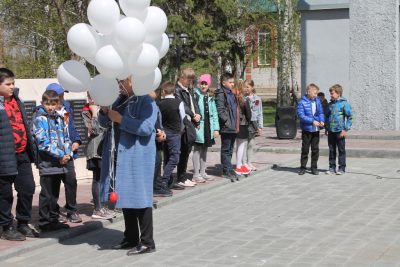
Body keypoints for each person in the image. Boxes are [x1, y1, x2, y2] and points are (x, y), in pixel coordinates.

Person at [100, 77, 157, 256]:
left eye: (122, 81)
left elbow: (147, 128)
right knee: (125, 196)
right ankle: (131, 237)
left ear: (133, 80)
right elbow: (104, 124)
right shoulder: (118, 100)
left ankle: (147, 242)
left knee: (140, 198)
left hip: (137, 155)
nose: (119, 85)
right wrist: (104, 113)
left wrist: (120, 119)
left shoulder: (146, 100)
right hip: (119, 153)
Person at [0, 68, 36, 240]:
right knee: (5, 194)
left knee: (28, 188)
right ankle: (6, 226)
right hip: (5, 156)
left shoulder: (17, 100)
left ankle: (22, 222)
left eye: (13, 83)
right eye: (8, 84)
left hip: (22, 154)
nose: (12, 87)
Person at [32, 90, 72, 231]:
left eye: (53, 104)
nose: (50, 107)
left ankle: (53, 219)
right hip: (47, 162)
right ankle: (44, 222)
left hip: (60, 163)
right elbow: (42, 142)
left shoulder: (59, 118)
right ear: (43, 103)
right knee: (46, 194)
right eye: (47, 104)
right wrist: (60, 155)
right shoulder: (39, 118)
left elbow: (65, 137)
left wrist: (68, 153)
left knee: (54, 194)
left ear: (57, 104)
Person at [46, 83, 82, 223]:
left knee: (71, 181)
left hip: (68, 153)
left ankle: (71, 210)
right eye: (59, 96)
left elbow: (70, 128)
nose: (62, 98)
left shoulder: (66, 109)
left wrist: (76, 141)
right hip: (53, 155)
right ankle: (53, 211)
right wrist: (57, 152)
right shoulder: (44, 112)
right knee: (53, 185)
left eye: (62, 95)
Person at [82, 94, 114, 219]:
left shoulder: (106, 107)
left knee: (106, 178)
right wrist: (95, 113)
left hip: (106, 148)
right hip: (96, 150)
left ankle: (104, 206)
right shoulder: (86, 111)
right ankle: (97, 209)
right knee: (98, 178)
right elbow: (95, 130)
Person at [157, 81, 186, 193]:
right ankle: (165, 180)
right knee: (175, 157)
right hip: (175, 133)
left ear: (164, 91)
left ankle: (168, 181)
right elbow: (183, 118)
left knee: (167, 157)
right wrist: (181, 129)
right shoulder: (179, 102)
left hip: (163, 133)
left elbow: (159, 118)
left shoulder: (159, 103)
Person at [175, 68, 201, 187]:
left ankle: (182, 176)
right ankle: (180, 177)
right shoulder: (177, 89)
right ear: (181, 77)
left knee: (187, 150)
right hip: (183, 123)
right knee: (183, 151)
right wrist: (192, 114)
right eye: (188, 79)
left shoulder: (189, 89)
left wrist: (198, 114)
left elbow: (194, 103)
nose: (190, 82)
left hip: (190, 121)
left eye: (191, 80)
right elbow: (182, 105)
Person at [192, 74, 220, 183]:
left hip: (208, 127)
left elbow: (214, 114)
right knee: (197, 149)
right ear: (199, 84)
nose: (203, 86)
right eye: (202, 83)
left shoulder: (210, 97)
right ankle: (196, 174)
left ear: (209, 85)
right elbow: (193, 110)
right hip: (199, 126)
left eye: (205, 84)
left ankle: (203, 172)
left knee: (204, 150)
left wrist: (216, 129)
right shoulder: (195, 95)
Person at [215, 72, 239, 181]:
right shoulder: (221, 93)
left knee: (230, 149)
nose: (232, 84)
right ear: (223, 83)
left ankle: (229, 168)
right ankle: (226, 170)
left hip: (233, 125)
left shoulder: (231, 93)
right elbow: (220, 109)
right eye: (230, 82)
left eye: (233, 82)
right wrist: (226, 121)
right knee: (226, 148)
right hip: (226, 126)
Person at [296, 83, 325, 175]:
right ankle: (303, 167)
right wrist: (312, 121)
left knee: (315, 149)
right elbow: (301, 115)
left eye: (317, 93)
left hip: (316, 129)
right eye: (315, 93)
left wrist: (322, 120)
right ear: (309, 92)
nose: (316, 95)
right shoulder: (302, 102)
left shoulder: (317, 101)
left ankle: (314, 167)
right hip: (307, 129)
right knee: (305, 149)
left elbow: (320, 112)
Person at [325, 84, 353, 175]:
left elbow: (350, 117)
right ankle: (332, 167)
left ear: (338, 93)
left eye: (332, 93)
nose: (331, 95)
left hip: (340, 131)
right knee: (331, 150)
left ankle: (341, 168)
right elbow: (327, 116)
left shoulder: (344, 104)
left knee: (341, 150)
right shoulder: (330, 104)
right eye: (330, 93)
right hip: (331, 131)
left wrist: (345, 129)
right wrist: (326, 128)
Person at [243, 79, 263, 171]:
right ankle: (243, 163)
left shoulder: (257, 99)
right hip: (245, 122)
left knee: (251, 144)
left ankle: (249, 162)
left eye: (248, 87)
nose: (246, 89)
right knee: (244, 143)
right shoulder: (242, 98)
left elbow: (260, 113)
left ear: (252, 87)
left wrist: (260, 126)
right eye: (245, 87)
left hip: (253, 123)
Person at [233, 80, 252, 177]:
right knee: (241, 145)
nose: (245, 89)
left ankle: (239, 164)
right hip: (243, 124)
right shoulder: (244, 99)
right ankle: (239, 165)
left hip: (234, 124)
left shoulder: (233, 98)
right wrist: (249, 121)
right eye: (244, 87)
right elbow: (248, 114)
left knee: (238, 145)